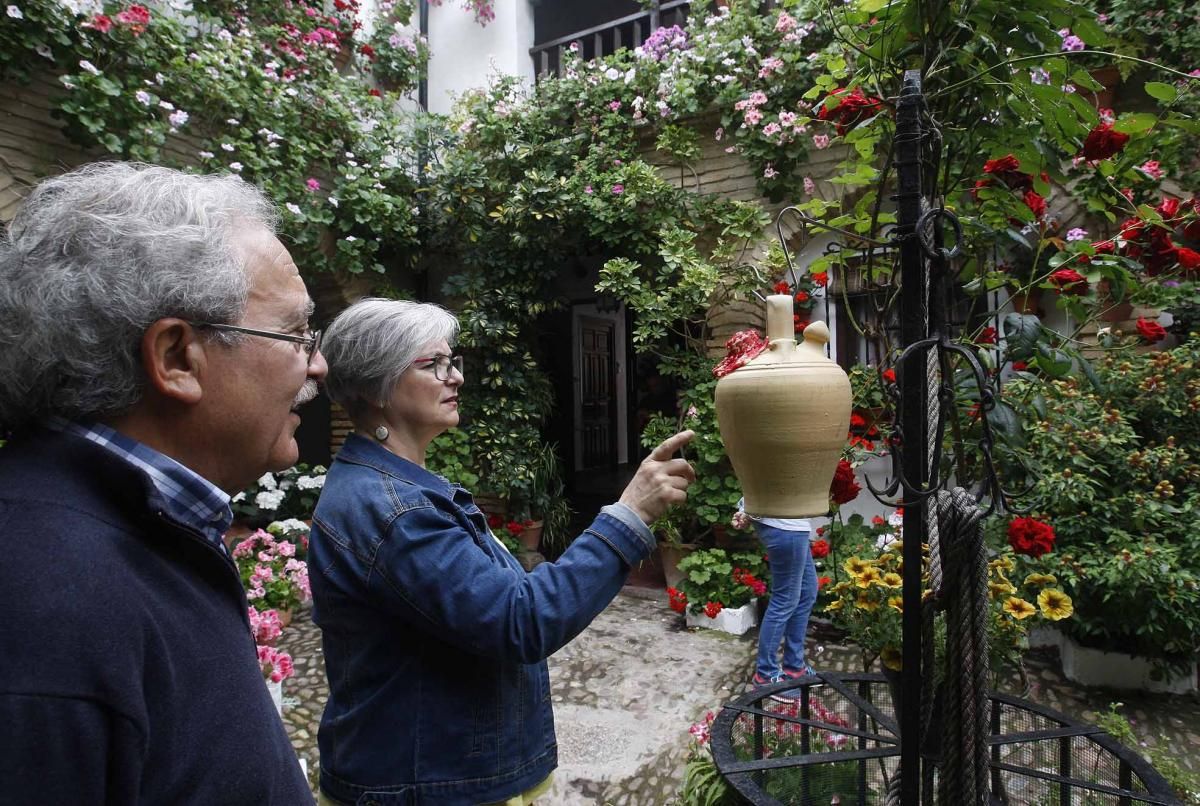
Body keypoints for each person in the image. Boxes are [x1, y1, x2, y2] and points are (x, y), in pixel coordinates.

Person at [0, 162, 323, 803]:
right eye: (294, 332)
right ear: (177, 357)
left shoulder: (132, 527)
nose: (317, 362)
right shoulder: (44, 609)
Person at [309, 298, 695, 806]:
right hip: (424, 786)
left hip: (447, 775)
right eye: (434, 364)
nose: (456, 378)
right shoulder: (393, 510)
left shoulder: (398, 491)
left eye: (454, 363)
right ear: (376, 386)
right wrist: (629, 515)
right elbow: (521, 618)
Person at [736, 502, 820, 700]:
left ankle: (794, 666)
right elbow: (765, 473)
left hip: (792, 523)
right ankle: (765, 675)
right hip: (784, 525)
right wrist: (747, 508)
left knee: (808, 591)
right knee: (785, 600)